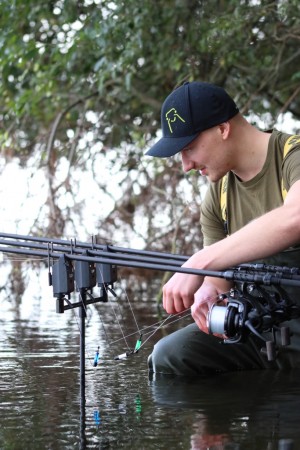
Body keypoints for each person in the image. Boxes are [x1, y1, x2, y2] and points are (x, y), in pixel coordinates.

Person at [145, 81, 300, 376]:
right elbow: (218, 282)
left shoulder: (293, 157)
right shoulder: (219, 195)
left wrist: (198, 263)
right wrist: (208, 293)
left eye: (189, 148)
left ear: (223, 129)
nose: (185, 165)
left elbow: (295, 217)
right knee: (168, 357)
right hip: (263, 333)